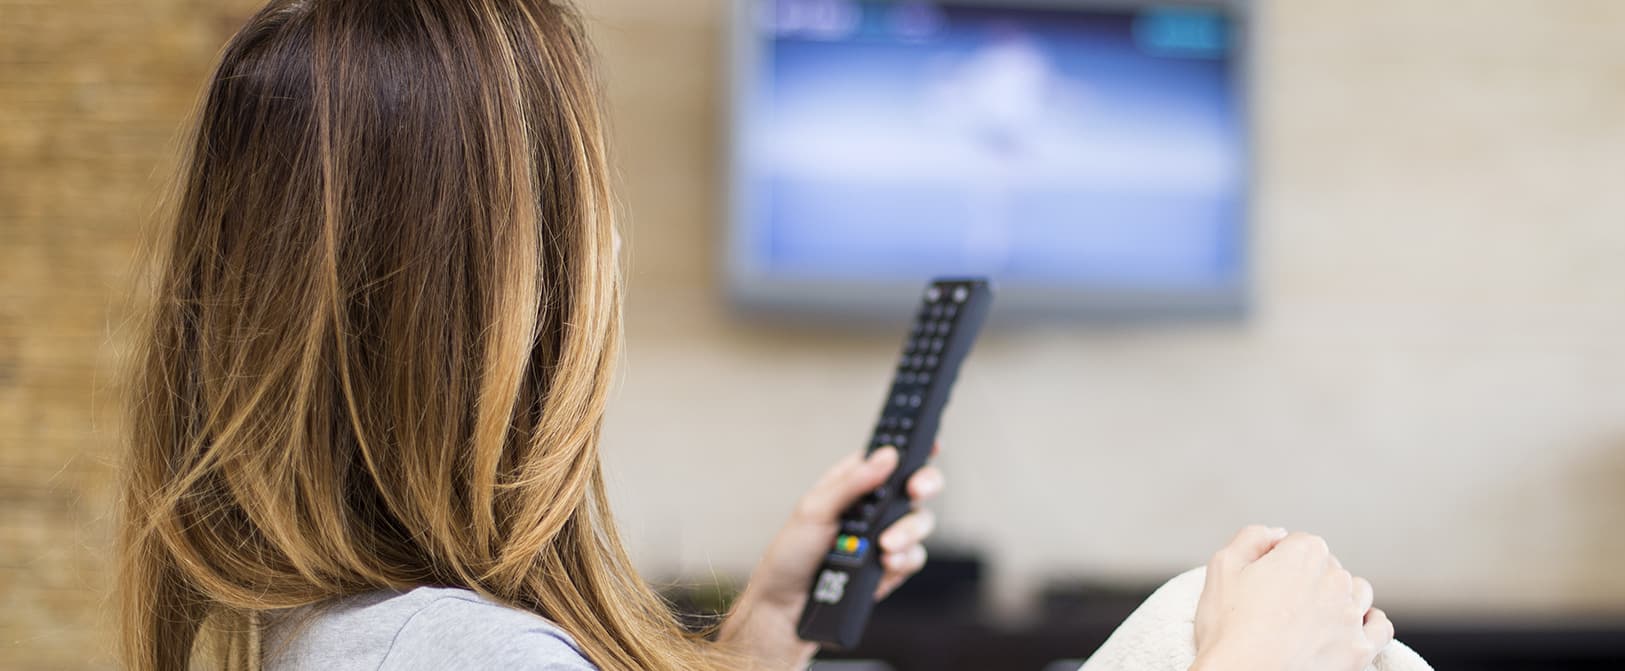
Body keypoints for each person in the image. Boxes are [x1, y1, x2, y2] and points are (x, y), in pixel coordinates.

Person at [117, 0, 1395, 669]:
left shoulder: (373, 630)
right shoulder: (448, 650)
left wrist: (760, 633)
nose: (612, 256)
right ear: (499, 290)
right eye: (588, 212)